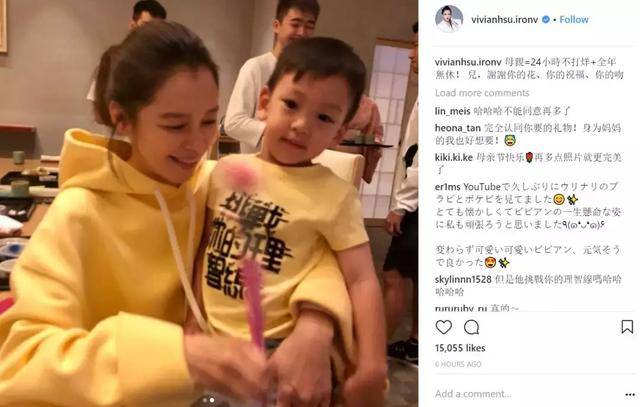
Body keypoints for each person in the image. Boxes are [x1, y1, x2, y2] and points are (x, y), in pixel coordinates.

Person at [0, 21, 343, 406]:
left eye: (209, 121)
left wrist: (315, 324)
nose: (198, 143)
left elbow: (317, 250)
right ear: (122, 119)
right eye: (176, 125)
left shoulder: (210, 185)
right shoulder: (77, 213)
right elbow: (20, 362)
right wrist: (180, 355)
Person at [196, 37, 388, 406]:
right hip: (212, 340)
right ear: (265, 102)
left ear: (339, 133)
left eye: (324, 118)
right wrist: (193, 318)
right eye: (292, 104)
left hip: (279, 350)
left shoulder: (335, 195)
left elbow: (362, 280)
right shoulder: (225, 171)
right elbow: (205, 248)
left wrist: (372, 364)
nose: (301, 125)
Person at [224, 0, 319, 153]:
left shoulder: (312, 74)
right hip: (257, 163)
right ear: (276, 26)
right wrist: (281, 132)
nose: (302, 32)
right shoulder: (256, 67)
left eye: (309, 26)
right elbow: (233, 123)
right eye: (295, 24)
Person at [383, 21, 419, 368]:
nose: (411, 53)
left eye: (418, 46)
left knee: (394, 275)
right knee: (421, 274)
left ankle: (369, 354)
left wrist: (401, 205)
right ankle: (417, 343)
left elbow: (424, 158)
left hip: (420, 202)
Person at [86, 0, 167, 103]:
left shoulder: (165, 65)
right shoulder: (112, 59)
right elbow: (98, 103)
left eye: (158, 27)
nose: (152, 32)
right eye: (146, 25)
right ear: (133, 25)